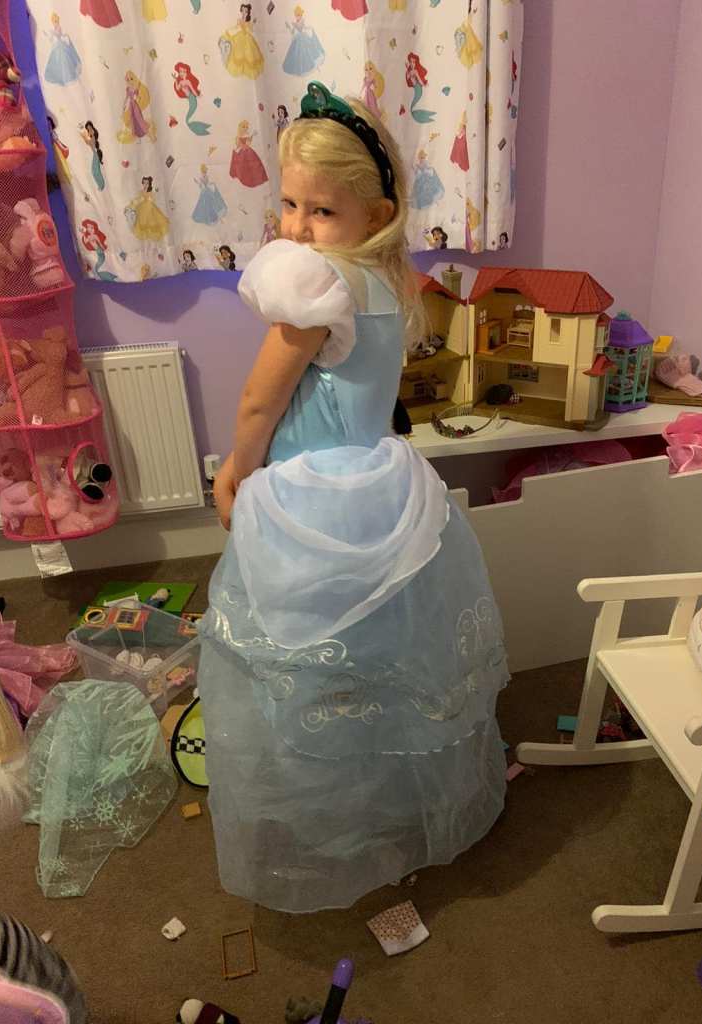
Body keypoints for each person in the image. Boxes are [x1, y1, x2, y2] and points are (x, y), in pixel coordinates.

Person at [201, 81, 508, 914]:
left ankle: (330, 800)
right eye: (289, 205)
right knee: (383, 644)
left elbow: (261, 402)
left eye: (322, 211)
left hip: (310, 496)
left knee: (304, 652)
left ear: (376, 214)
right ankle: (386, 783)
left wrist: (236, 472)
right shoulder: (386, 280)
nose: (298, 228)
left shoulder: (314, 285)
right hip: (380, 481)